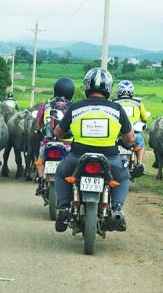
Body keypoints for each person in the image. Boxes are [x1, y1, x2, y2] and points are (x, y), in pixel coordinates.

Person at [53, 68, 134, 232]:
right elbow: (130, 138)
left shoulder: (76, 108)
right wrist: (124, 141)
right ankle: (117, 210)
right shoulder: (117, 109)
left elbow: (58, 133)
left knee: (61, 173)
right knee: (124, 177)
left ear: (86, 86)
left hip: (77, 157)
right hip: (110, 158)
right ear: (109, 88)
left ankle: (64, 208)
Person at [34, 77, 75, 195]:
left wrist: (39, 129)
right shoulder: (73, 106)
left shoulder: (47, 105)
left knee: (40, 160)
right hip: (68, 144)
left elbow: (39, 122)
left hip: (48, 142)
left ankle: (41, 179)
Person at [114, 80, 149, 174]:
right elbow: (145, 118)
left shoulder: (114, 103)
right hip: (133, 135)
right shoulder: (138, 103)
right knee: (140, 143)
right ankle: (140, 163)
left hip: (116, 135)